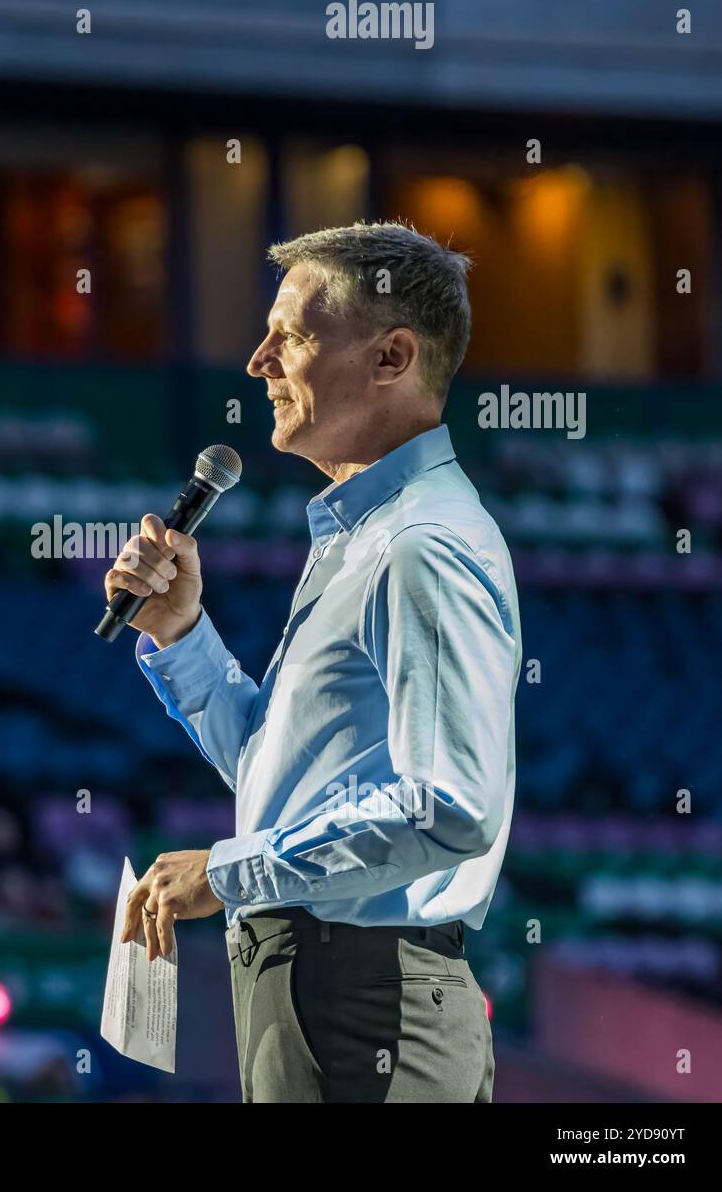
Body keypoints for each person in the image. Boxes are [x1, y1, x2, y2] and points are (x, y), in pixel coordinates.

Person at [107, 222, 520, 1103]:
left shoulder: (419, 545)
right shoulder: (368, 536)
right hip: (339, 991)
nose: (258, 361)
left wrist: (229, 871)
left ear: (391, 357)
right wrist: (183, 634)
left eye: (290, 335)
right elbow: (286, 777)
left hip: (364, 1000)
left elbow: (451, 806)